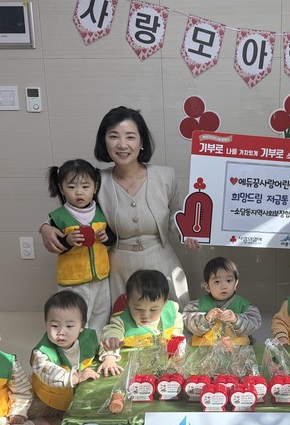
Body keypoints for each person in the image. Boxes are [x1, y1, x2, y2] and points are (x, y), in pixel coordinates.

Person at [40, 106, 196, 308]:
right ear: (104, 141)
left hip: (162, 262)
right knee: (121, 324)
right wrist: (45, 226)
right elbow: (75, 209)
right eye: (114, 136)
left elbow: (175, 215)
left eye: (130, 137)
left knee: (172, 322)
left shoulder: (166, 176)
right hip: (118, 269)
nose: (122, 144)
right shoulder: (97, 180)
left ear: (141, 142)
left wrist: (188, 233)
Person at [29, 291, 122, 424]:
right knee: (28, 411)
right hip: (48, 396)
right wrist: (76, 377)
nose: (61, 332)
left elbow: (105, 345)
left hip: (76, 393)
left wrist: (109, 358)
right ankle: (37, 423)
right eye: (54, 326)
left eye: (69, 326)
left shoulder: (91, 337)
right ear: (46, 322)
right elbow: (47, 372)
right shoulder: (42, 352)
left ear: (82, 325)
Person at [45, 158, 115, 334]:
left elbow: (112, 237)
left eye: (85, 186)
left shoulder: (102, 212)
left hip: (101, 277)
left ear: (95, 188)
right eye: (71, 187)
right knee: (75, 316)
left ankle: (96, 342)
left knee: (101, 313)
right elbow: (55, 245)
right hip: (73, 280)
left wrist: (106, 237)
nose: (79, 192)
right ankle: (76, 343)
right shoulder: (58, 217)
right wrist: (67, 241)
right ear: (61, 189)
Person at [100, 269, 185, 360]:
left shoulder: (170, 311)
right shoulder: (122, 322)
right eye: (138, 309)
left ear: (164, 303)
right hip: (131, 362)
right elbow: (111, 333)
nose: (145, 315)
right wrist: (112, 343)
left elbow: (177, 320)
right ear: (128, 301)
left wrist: (176, 336)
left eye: (153, 309)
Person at [183, 257, 262, 346]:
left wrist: (235, 319)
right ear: (207, 287)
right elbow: (188, 322)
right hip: (205, 350)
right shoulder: (197, 306)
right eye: (217, 281)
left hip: (237, 350)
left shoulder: (244, 306)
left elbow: (254, 323)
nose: (224, 286)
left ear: (235, 284)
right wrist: (205, 319)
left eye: (228, 281)